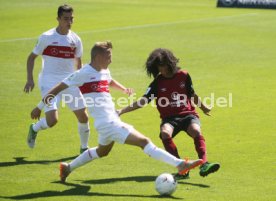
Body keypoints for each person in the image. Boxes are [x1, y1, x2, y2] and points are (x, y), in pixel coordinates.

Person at [31, 41, 203, 183]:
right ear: (98, 57)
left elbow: (109, 80)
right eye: (109, 57)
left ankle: (67, 168)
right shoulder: (82, 73)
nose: (111, 60)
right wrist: (40, 107)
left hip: (108, 120)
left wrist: (122, 89)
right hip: (108, 123)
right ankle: (180, 164)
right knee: (144, 141)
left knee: (102, 151)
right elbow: (57, 88)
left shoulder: (104, 70)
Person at [118, 48, 220, 179]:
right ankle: (182, 167)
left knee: (196, 130)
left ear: (170, 63)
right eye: (158, 67)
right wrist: (122, 110)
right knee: (165, 133)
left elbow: (192, 94)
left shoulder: (184, 75)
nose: (162, 70)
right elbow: (143, 101)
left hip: (188, 115)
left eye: (163, 65)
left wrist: (204, 107)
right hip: (169, 119)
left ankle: (204, 163)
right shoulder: (157, 83)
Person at [24, 4, 90, 153]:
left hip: (70, 82)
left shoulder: (76, 40)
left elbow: (78, 63)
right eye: (66, 19)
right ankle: (34, 128)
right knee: (52, 121)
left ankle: (84, 148)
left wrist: (80, 81)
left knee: (83, 116)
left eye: (71, 18)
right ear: (58, 19)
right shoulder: (46, 37)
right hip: (49, 81)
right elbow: (31, 58)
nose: (69, 22)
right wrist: (30, 79)